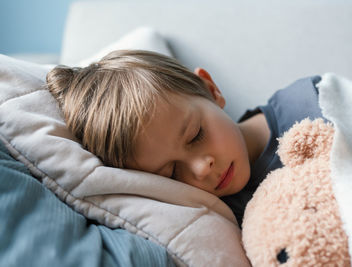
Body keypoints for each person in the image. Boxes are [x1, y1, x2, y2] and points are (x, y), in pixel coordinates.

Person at [46, 49, 324, 226]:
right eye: (172, 173)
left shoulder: (311, 103)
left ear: (210, 88)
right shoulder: (225, 217)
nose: (202, 169)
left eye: (195, 136)